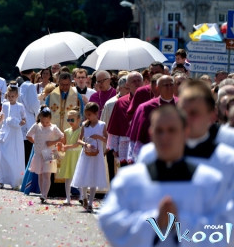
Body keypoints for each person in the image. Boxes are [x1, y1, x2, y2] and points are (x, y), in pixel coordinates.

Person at [99, 106, 231, 247]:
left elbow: (227, 228)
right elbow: (109, 222)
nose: (165, 137)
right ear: (151, 133)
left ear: (185, 132)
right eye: (159, 130)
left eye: (172, 130)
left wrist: (179, 222)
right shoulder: (129, 179)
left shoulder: (209, 181)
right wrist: (154, 221)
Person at [138, 80, 234, 196]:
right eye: (182, 111)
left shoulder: (228, 157)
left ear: (212, 113)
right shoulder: (152, 153)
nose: (186, 118)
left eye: (194, 113)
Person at [126, 75, 177, 159]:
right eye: (166, 85)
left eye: (171, 85)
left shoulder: (182, 105)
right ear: (157, 88)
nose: (169, 87)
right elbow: (137, 132)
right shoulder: (145, 107)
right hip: (151, 152)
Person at [0, 83, 26, 190]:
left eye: (13, 96)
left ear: (17, 96)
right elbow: (3, 116)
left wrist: (20, 123)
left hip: (14, 133)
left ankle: (14, 180)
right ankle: (1, 179)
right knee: (1, 153)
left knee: (12, 155)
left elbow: (24, 119)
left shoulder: (20, 106)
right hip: (5, 131)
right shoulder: (5, 104)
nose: (11, 98)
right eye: (9, 96)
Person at [71, 102, 108, 212]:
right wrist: (85, 144)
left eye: (90, 114)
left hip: (97, 154)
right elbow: (78, 139)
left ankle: (91, 202)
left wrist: (99, 137)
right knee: (84, 174)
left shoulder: (102, 125)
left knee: (94, 177)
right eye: (86, 114)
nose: (88, 117)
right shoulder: (84, 125)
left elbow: (107, 139)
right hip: (86, 154)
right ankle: (85, 197)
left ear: (96, 113)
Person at [26, 106, 64, 203]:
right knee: (40, 174)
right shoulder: (37, 126)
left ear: (50, 119)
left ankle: (44, 195)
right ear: (40, 119)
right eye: (42, 122)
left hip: (49, 152)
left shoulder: (53, 127)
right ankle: (42, 193)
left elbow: (62, 137)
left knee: (47, 175)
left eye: (47, 122)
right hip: (39, 153)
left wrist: (53, 142)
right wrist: (35, 142)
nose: (44, 124)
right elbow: (28, 135)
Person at [107, 71, 143, 165]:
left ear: (143, 83)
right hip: (125, 144)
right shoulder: (121, 102)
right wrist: (114, 147)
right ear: (127, 84)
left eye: (138, 80)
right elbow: (115, 125)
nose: (136, 83)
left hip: (143, 142)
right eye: (133, 81)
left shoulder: (149, 99)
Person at [56, 109, 82, 205]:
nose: (70, 122)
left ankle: (82, 196)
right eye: (68, 120)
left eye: (72, 120)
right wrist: (60, 146)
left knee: (79, 176)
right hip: (68, 156)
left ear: (78, 119)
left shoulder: (81, 130)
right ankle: (68, 197)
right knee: (68, 177)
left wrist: (67, 146)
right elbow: (64, 144)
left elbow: (77, 143)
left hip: (77, 155)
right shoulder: (66, 131)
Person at [19, 69, 40, 165]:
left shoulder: (14, 83)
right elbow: (33, 105)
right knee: (28, 149)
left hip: (18, 119)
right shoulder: (29, 85)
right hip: (28, 119)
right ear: (32, 73)